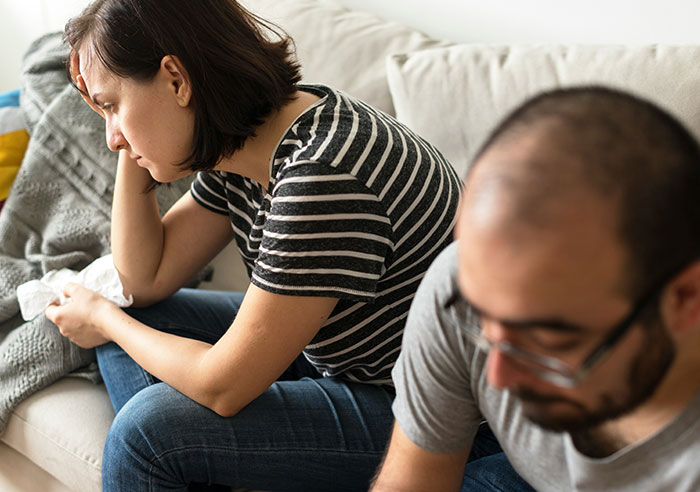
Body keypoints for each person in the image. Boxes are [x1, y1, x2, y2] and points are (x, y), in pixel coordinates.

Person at [43, 0, 470, 491]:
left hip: (423, 418)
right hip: (336, 360)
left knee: (149, 432)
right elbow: (145, 277)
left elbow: (221, 387)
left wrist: (103, 320)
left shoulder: (322, 173)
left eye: (113, 105)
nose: (110, 138)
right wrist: (131, 129)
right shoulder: (247, 141)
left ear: (177, 81)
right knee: (139, 320)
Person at [371, 86, 700, 492]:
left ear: (685, 299)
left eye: (547, 339)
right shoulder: (466, 288)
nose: (499, 377)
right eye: (483, 325)